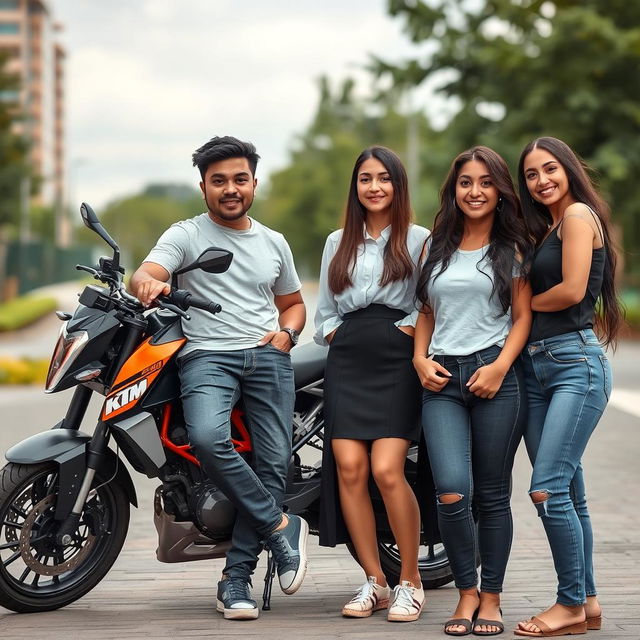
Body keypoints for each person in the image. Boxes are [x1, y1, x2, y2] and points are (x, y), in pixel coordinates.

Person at [131, 136, 308, 621]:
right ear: (204, 186)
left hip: (267, 356)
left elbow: (292, 303)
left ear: (253, 181)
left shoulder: (274, 242)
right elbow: (148, 270)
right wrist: (148, 281)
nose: (231, 189)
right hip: (207, 356)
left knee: (273, 466)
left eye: (239, 179)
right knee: (208, 439)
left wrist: (286, 335)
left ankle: (235, 581)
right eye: (219, 181)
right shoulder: (186, 234)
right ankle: (278, 525)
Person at [413, 146, 533, 636]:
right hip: (441, 379)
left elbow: (522, 317)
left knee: (492, 495)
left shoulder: (514, 247)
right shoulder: (434, 246)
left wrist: (501, 367)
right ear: (454, 189)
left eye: (486, 182)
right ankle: (465, 593)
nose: (475, 191)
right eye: (466, 182)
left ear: (500, 190)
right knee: (450, 490)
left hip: (493, 378)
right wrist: (419, 359)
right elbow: (426, 312)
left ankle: (492, 597)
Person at [314, 146, 430, 622]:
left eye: (384, 178)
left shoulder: (420, 238)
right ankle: (374, 581)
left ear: (398, 186)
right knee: (348, 468)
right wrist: (336, 332)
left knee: (386, 469)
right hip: (347, 357)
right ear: (355, 187)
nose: (375, 186)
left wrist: (402, 330)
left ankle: (411, 580)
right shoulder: (336, 241)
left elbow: (430, 300)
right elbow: (323, 310)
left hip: (396, 358)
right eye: (366, 178)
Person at [514, 137, 623, 638]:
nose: (542, 181)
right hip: (539, 368)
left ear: (568, 170)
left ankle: (567, 603)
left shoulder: (578, 215)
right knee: (569, 490)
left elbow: (574, 290)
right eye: (532, 174)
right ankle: (589, 601)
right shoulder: (549, 227)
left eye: (549, 169)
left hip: (574, 364)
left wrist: (522, 306)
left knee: (547, 488)